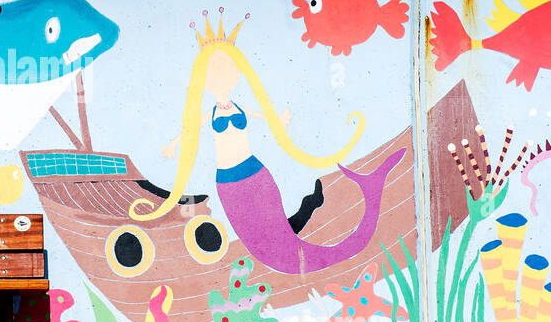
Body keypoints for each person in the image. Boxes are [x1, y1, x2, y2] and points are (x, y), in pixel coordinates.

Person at [132, 14, 405, 275]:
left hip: (255, 173)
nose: (223, 78)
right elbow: (191, 128)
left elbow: (261, 116)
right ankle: (311, 204)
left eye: (229, 70)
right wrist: (173, 145)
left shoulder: (239, 106)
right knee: (265, 245)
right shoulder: (209, 112)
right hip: (229, 183)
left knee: (279, 236)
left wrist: (280, 119)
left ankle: (314, 204)